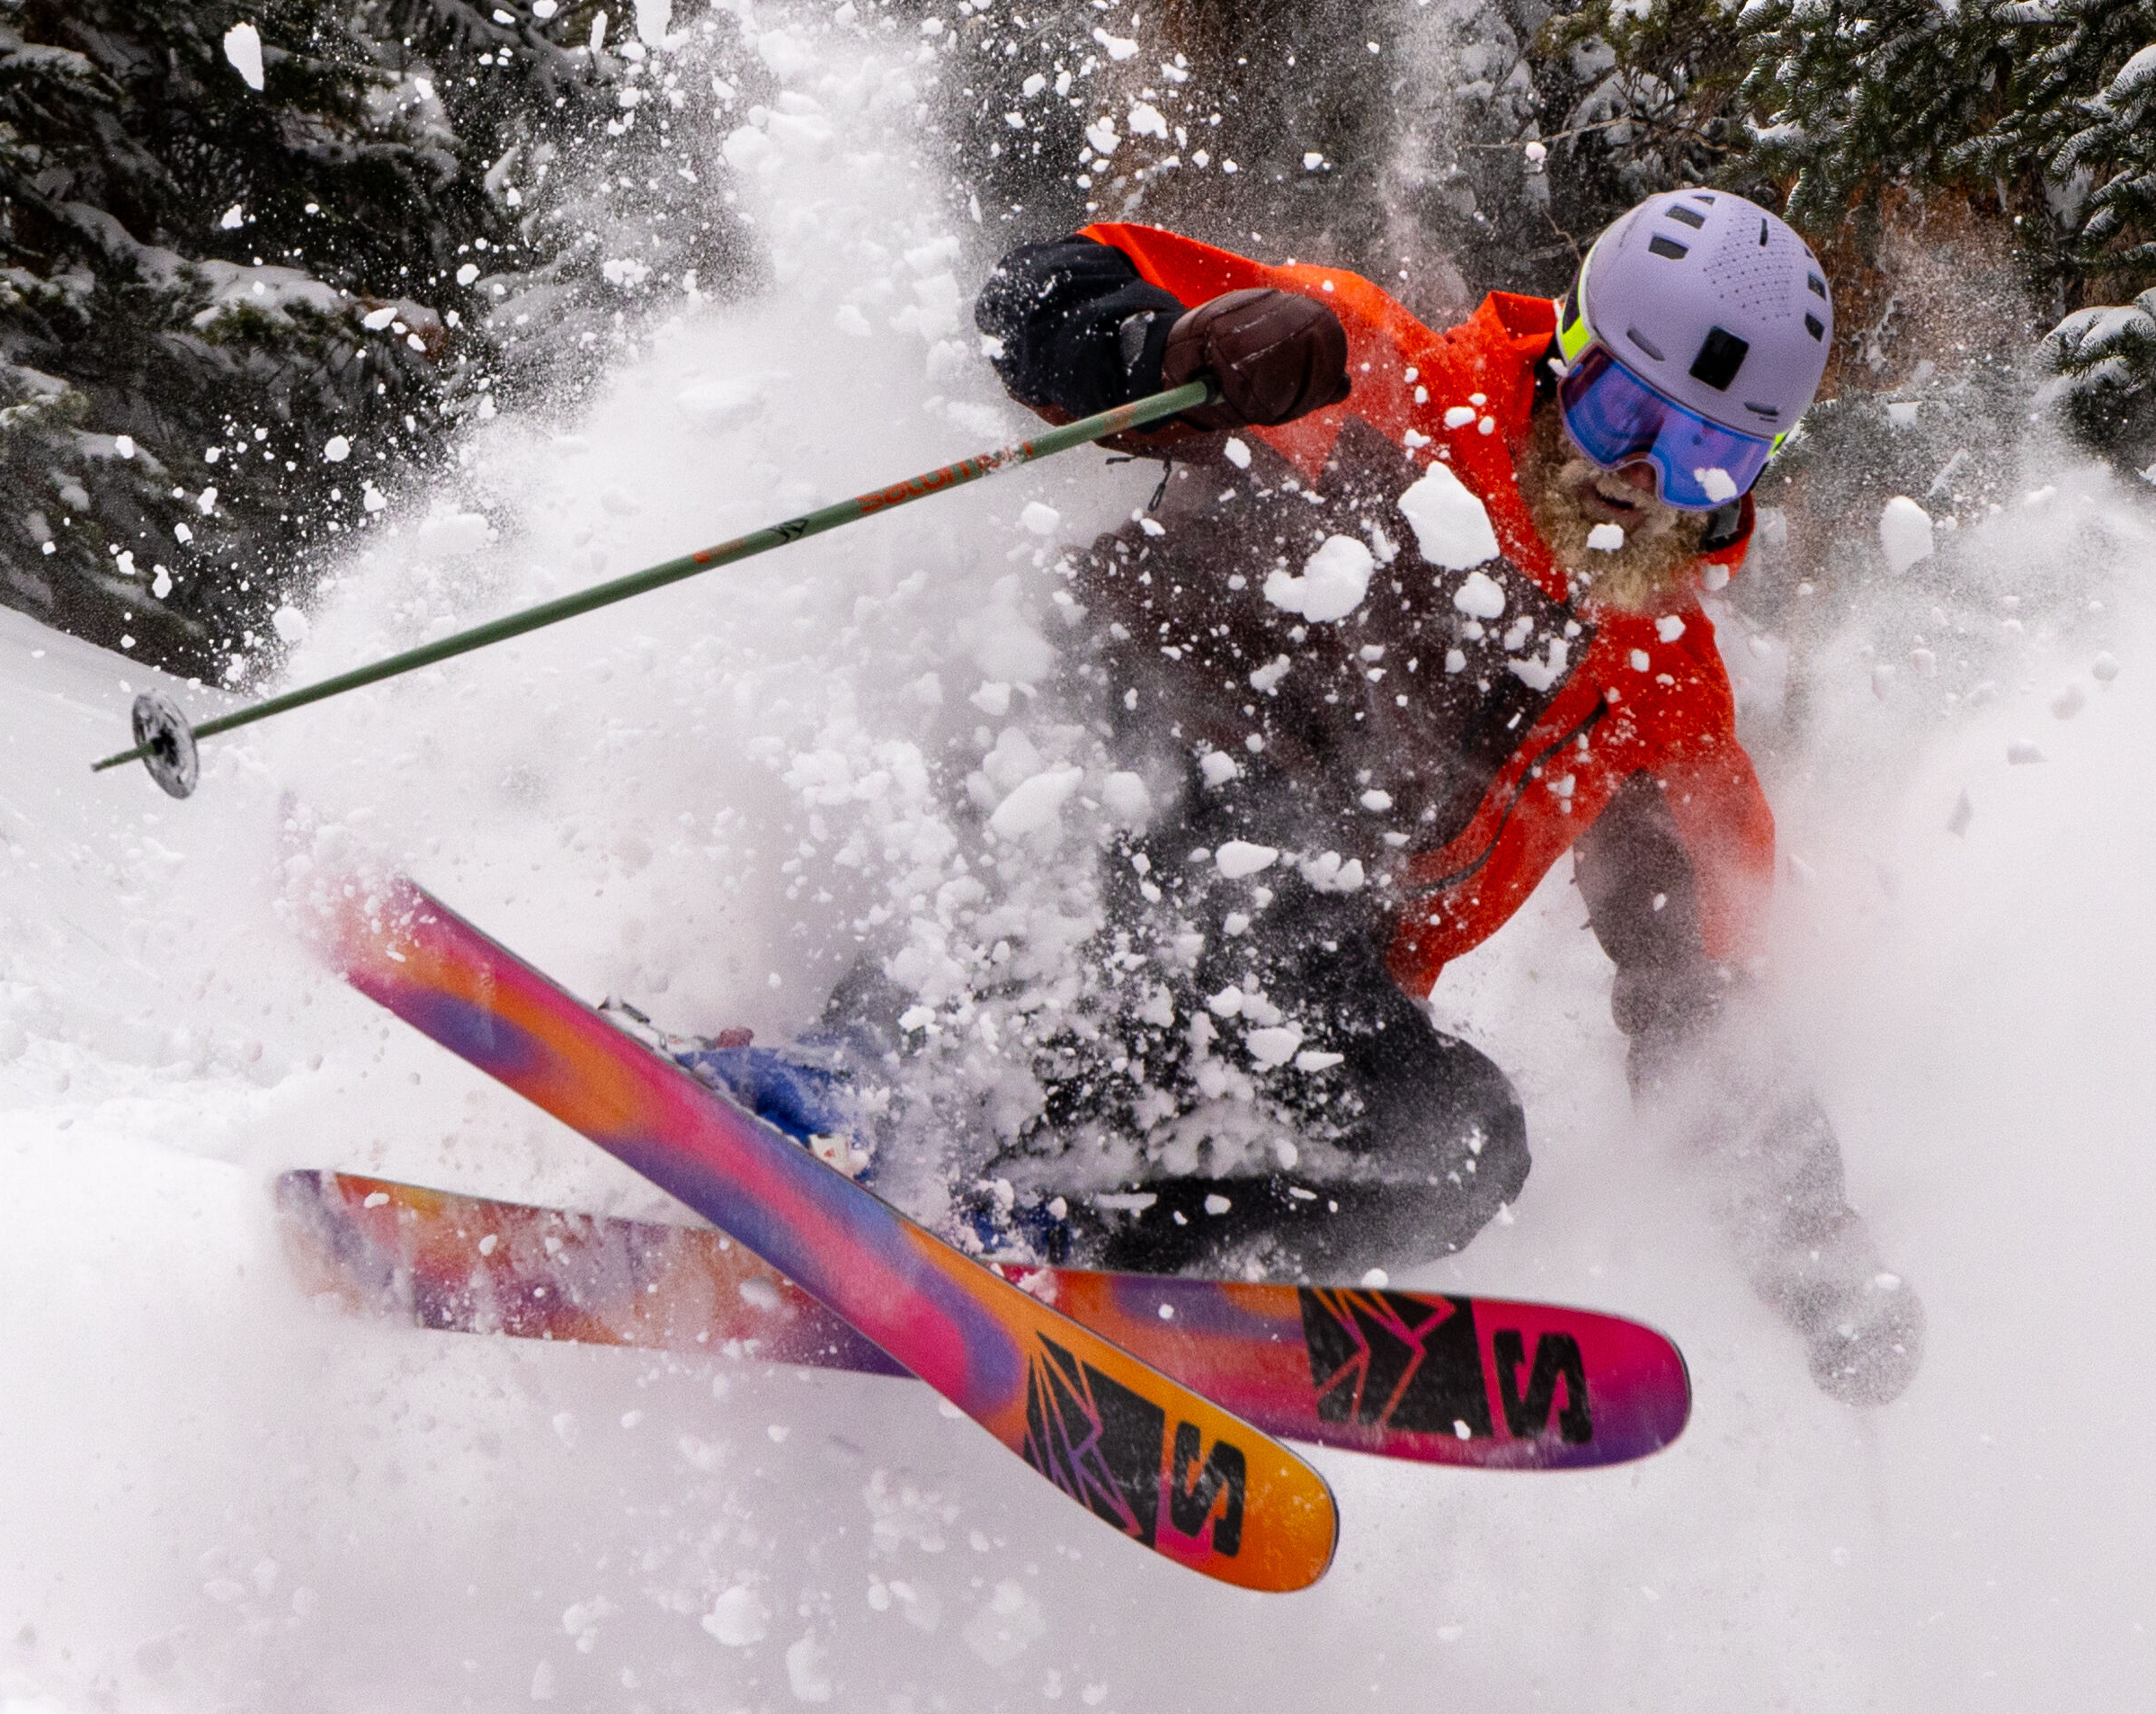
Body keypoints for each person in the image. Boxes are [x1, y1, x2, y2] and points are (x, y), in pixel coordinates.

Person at [714, 184, 1921, 1405]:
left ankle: (1088, 1252)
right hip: (1085, 795)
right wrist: (1172, 350)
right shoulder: (1375, 382)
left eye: (1705, 456)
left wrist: (1822, 1264)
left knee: (1464, 1150)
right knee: (1189, 844)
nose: (1643, 480)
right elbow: (1034, 295)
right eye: (1621, 416)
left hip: (1292, 975)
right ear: (1566, 356)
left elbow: (1694, 1003)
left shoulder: (1656, 685)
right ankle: (857, 1078)